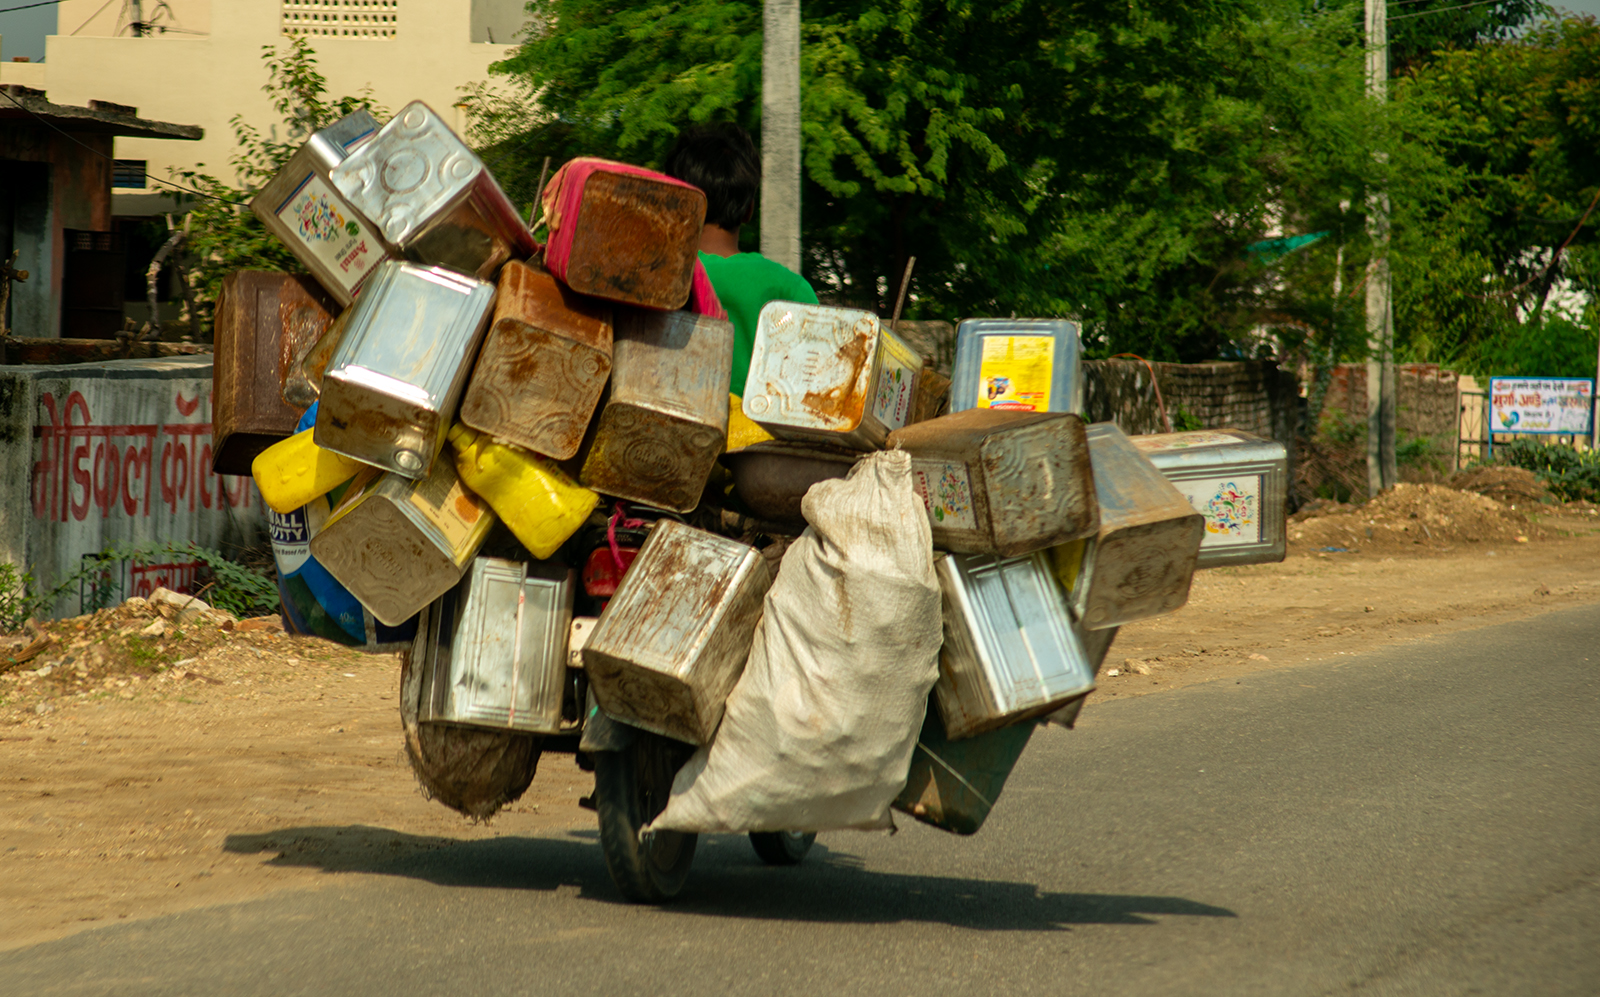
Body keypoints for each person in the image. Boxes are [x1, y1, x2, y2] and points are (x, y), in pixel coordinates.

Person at [663, 123, 818, 398]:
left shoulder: (655, 274)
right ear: (748, 210)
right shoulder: (791, 290)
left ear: (676, 204)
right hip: (762, 441)